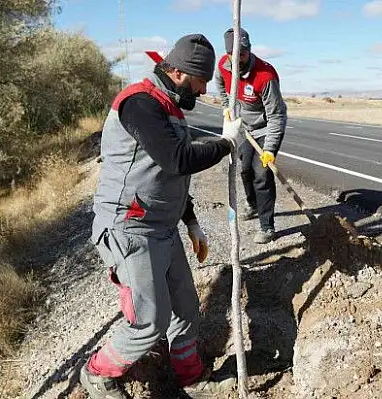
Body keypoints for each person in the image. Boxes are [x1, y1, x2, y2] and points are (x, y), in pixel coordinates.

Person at [80, 34, 244, 399]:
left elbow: (170, 176)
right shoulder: (139, 103)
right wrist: (226, 144)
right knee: (149, 321)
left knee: (186, 309)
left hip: (163, 228)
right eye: (201, 84)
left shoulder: (170, 107)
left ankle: (190, 375)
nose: (202, 93)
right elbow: (178, 159)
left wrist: (191, 221)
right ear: (183, 74)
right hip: (129, 228)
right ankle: (96, 374)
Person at [215, 27, 288, 244]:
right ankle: (253, 204)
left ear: (249, 50)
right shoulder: (223, 66)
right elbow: (219, 83)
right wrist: (226, 105)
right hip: (244, 130)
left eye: (243, 54)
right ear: (228, 53)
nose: (239, 60)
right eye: (234, 55)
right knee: (245, 170)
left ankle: (267, 226)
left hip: (266, 129)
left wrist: (269, 150)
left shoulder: (265, 76)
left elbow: (277, 116)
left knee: (262, 175)